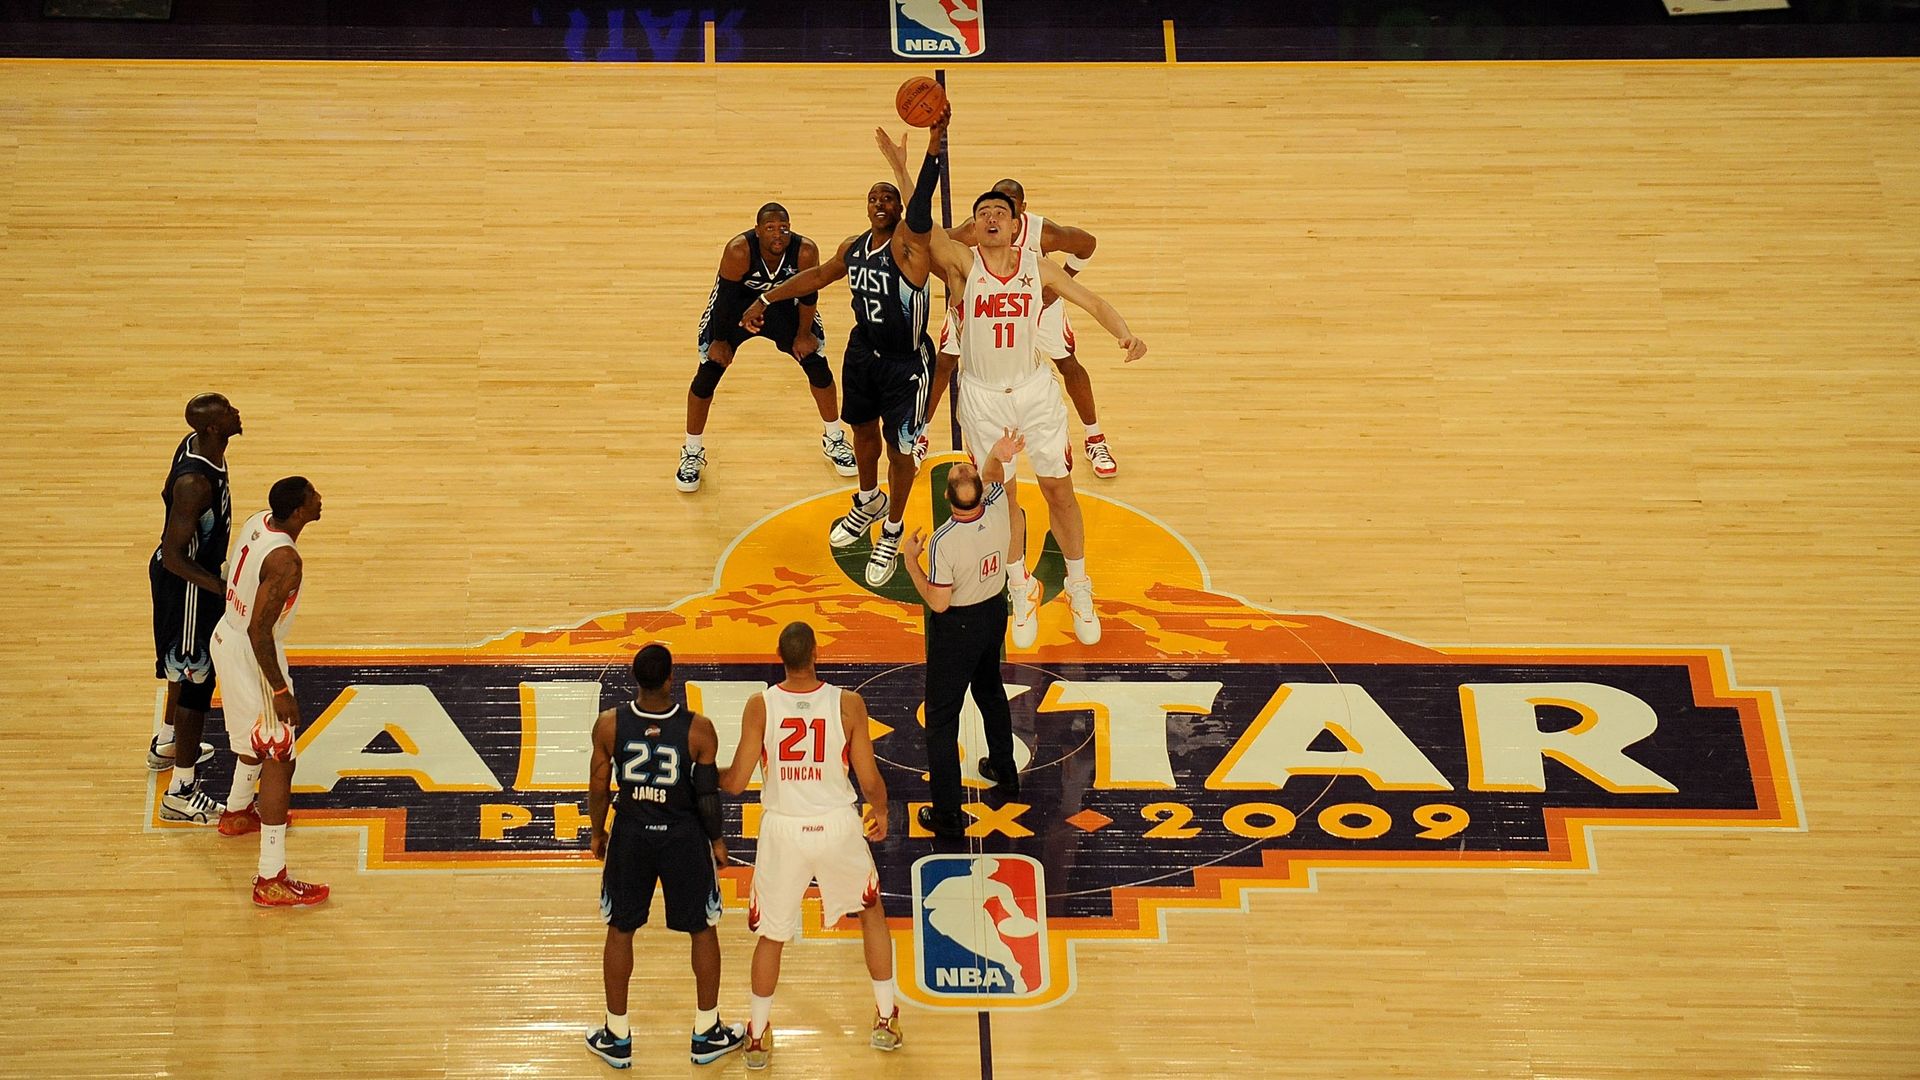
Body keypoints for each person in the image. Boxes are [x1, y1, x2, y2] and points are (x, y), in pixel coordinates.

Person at [879, 117, 1147, 649]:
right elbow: (920, 225)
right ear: (975, 229)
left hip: (1033, 393)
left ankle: (1078, 584)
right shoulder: (961, 264)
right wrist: (901, 168)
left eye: (1000, 211)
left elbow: (1090, 301)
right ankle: (1021, 587)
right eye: (983, 214)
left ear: (1015, 220)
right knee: (1002, 499)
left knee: (1059, 492)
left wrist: (1125, 333)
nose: (991, 218)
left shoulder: (1037, 265)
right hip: (980, 399)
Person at [742, 118, 946, 585]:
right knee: (862, 433)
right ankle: (869, 499)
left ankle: (892, 528)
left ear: (898, 208)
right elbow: (816, 277)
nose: (880, 203)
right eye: (874, 198)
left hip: (906, 364)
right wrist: (767, 297)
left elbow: (922, 202)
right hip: (862, 352)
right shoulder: (853, 247)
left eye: (887, 198)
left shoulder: (911, 246)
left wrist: (931, 148)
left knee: (901, 450)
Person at [719, 622, 901, 1070]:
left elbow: (738, 782)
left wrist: (706, 772)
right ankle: (885, 1019)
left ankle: (757, 1036)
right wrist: (881, 810)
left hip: (783, 832)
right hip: (836, 825)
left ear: (778, 655)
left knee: (773, 935)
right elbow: (870, 779)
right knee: (871, 913)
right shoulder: (849, 704)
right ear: (816, 653)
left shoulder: (761, 705)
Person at [584, 644, 746, 1070]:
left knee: (621, 928)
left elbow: (599, 787)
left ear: (635, 678)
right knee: (702, 928)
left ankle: (616, 1036)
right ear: (671, 678)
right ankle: (707, 1031)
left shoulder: (609, 725)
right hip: (683, 838)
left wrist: (598, 832)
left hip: (631, 835)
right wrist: (717, 841)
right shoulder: (699, 730)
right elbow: (708, 796)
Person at [926, 180, 1116, 478]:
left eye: (1005, 207)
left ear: (1020, 214)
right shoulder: (970, 232)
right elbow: (932, 245)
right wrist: (958, 286)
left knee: (1067, 363)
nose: (994, 217)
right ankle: (919, 435)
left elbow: (1086, 245)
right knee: (945, 361)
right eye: (989, 208)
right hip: (982, 304)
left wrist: (1061, 282)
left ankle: (1095, 438)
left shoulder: (1043, 233)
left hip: (1038, 301)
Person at [206, 476, 328, 906]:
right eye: (313, 496)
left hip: (226, 635)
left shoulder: (260, 522)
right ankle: (270, 877)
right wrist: (279, 688)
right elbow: (261, 629)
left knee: (251, 738)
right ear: (298, 512)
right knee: (279, 754)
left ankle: (238, 812)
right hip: (253, 654)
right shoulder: (286, 562)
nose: (320, 499)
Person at [679, 204, 857, 493]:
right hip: (735, 308)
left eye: (783, 227)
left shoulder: (805, 251)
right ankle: (691, 451)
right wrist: (723, 340)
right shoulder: (739, 250)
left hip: (784, 306)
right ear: (757, 230)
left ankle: (834, 437)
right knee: (709, 370)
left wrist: (802, 335)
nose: (778, 234)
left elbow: (809, 294)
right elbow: (725, 299)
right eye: (771, 228)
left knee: (816, 363)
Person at [900, 428, 1025, 839]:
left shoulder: (942, 542)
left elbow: (938, 602)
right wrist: (1000, 455)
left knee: (940, 718)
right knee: (990, 692)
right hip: (993, 613)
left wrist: (911, 562)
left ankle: (949, 813)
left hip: (958, 626)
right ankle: (1005, 772)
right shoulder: (1000, 508)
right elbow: (993, 479)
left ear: (947, 498)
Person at [147, 393, 241, 824]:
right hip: (187, 584)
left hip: (191, 576)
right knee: (193, 678)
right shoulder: (195, 483)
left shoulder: (199, 445)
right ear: (212, 428)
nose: (236, 413)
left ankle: (167, 742)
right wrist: (220, 586)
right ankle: (180, 793)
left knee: (181, 670)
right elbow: (173, 556)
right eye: (227, 412)